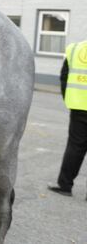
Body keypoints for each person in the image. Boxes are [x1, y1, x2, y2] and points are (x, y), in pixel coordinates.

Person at [47, 38, 87, 199]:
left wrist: (69, 97)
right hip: (78, 104)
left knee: (75, 147)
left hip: (78, 106)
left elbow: (64, 76)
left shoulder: (74, 48)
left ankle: (65, 185)